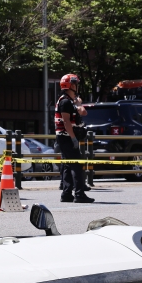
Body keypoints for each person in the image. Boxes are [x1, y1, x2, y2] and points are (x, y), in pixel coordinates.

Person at [55, 73, 94, 203]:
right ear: (70, 85)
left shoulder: (71, 101)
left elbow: (84, 112)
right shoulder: (65, 102)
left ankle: (66, 194)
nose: (77, 86)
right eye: (75, 84)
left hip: (68, 137)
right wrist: (73, 139)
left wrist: (78, 103)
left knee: (68, 165)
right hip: (66, 137)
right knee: (77, 165)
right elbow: (66, 122)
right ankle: (79, 194)